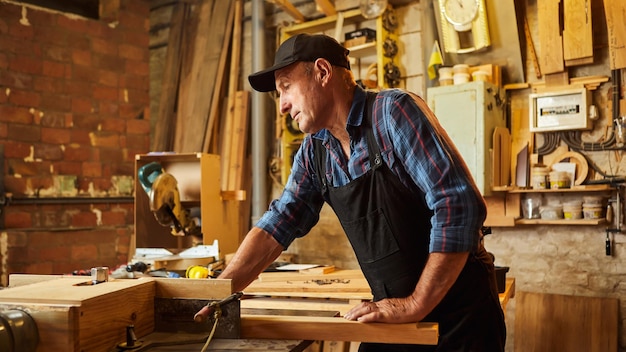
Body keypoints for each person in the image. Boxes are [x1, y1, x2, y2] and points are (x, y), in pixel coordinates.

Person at [218, 33, 506, 351]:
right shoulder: (315, 152)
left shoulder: (393, 113)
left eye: (286, 87)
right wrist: (218, 291)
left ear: (323, 72)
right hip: (394, 314)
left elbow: (458, 204)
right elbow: (280, 222)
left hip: (459, 318)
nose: (283, 106)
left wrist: (415, 304)